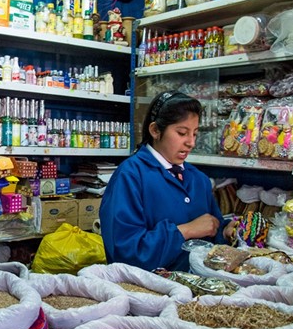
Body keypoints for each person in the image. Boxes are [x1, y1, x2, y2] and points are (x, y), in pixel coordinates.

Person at [99, 91, 236, 272]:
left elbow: (211, 230)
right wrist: (185, 231)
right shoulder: (130, 176)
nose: (191, 143)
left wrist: (225, 232)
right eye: (182, 133)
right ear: (155, 130)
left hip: (199, 291)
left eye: (195, 134)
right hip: (149, 293)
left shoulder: (198, 180)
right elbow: (126, 252)